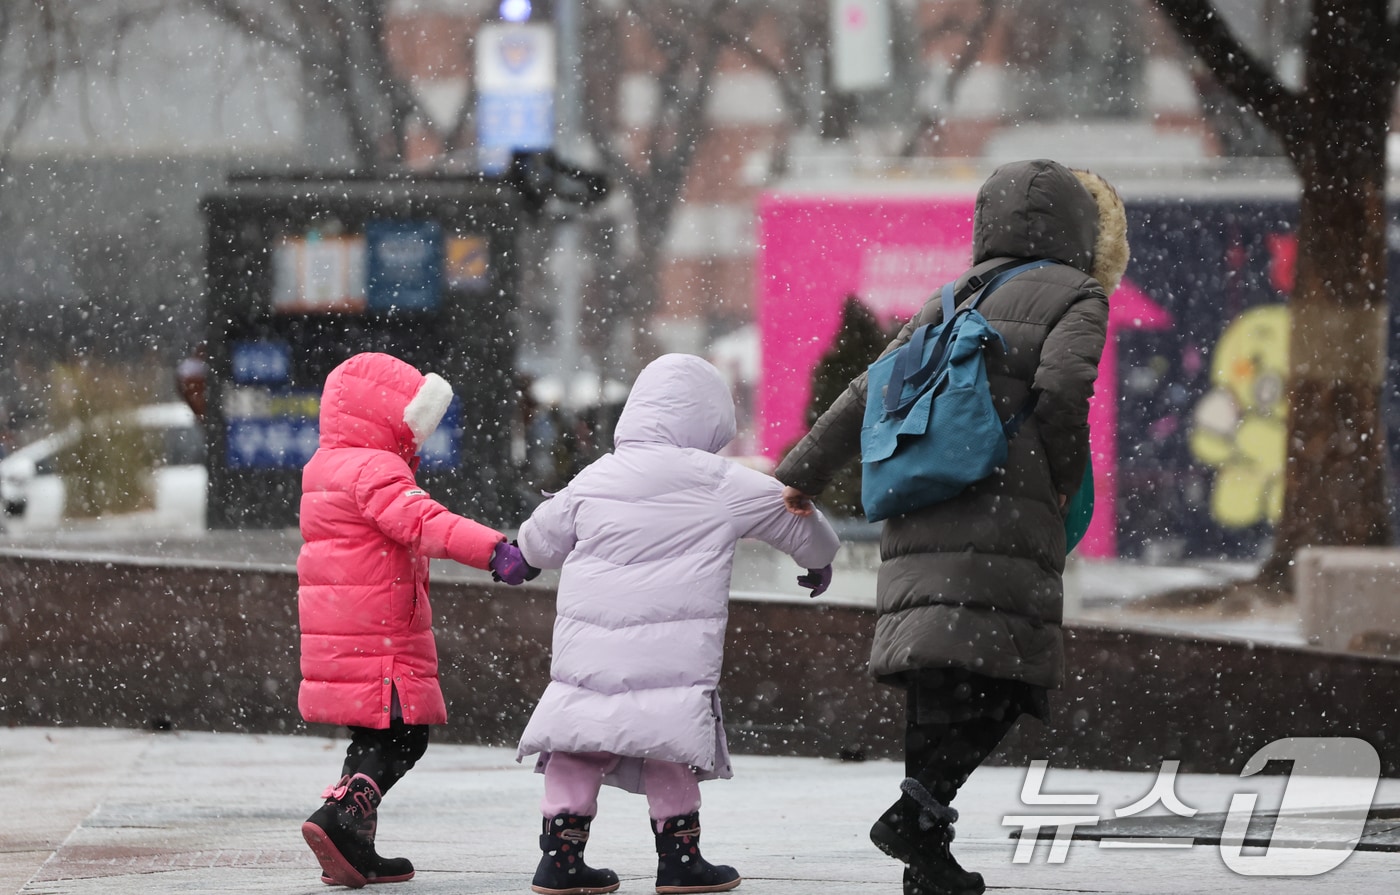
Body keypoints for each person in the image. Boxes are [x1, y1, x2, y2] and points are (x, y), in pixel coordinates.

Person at [775, 159, 1129, 895]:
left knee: (938, 680)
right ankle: (918, 819)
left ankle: (924, 853)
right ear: (1077, 229)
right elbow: (1064, 391)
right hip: (1003, 505)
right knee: (1007, 680)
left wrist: (801, 473)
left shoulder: (955, 294)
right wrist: (1059, 477)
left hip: (925, 499)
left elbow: (866, 387)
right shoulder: (1079, 294)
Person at [513, 353, 841, 895]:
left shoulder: (596, 477)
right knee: (667, 743)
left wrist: (519, 557)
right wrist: (819, 557)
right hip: (671, 655)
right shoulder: (721, 481)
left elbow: (538, 541)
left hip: (588, 653)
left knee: (577, 743)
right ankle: (680, 860)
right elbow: (795, 515)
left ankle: (560, 860)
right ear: (710, 419)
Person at [297, 352, 535, 888]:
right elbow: (424, 521)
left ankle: (353, 843)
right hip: (380, 633)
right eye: (415, 422)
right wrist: (496, 550)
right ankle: (337, 818)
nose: (420, 437)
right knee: (407, 738)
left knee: (372, 736)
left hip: (340, 630)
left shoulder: (324, 466)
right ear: (386, 416)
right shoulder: (376, 468)